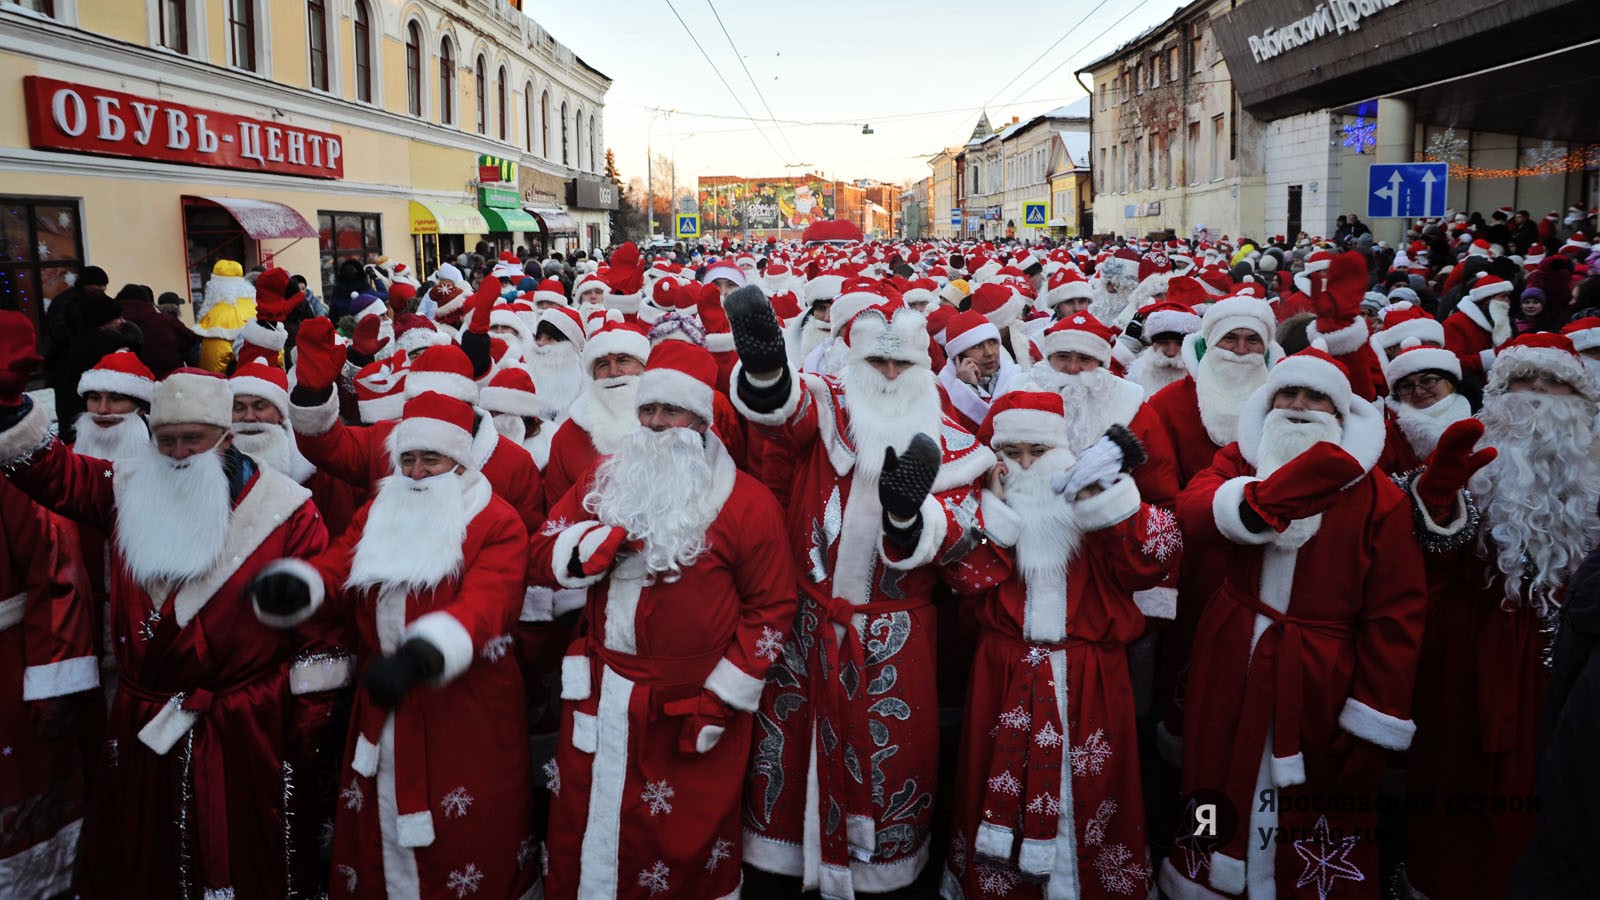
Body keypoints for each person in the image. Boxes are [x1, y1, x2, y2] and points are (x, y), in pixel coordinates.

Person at [0, 336, 339, 900]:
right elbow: (52, 474)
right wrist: (10, 408)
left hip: (243, 724)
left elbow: (318, 613)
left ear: (225, 439)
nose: (179, 453)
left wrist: (314, 705)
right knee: (144, 854)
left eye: (193, 441)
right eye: (167, 441)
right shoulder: (126, 486)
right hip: (143, 719)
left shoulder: (286, 509)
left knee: (248, 851)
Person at [724, 285, 1005, 897]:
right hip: (807, 632)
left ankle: (883, 877)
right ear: (852, 363)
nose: (888, 373)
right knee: (787, 768)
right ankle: (786, 872)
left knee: (889, 772)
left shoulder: (953, 445)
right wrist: (769, 368)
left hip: (896, 645)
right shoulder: (830, 408)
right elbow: (784, 410)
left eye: (901, 363)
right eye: (876, 362)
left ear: (924, 370)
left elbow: (978, 554)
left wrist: (914, 524)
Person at [1159, 346, 1430, 900]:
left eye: (1315, 398)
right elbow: (1191, 508)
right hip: (1232, 653)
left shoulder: (1378, 495)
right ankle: (1205, 869)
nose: (1300, 407)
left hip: (1319, 674)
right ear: (1270, 399)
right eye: (1289, 394)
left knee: (1315, 795)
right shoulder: (1240, 462)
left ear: (1339, 414)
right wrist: (1260, 500)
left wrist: (1374, 714)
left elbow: (1396, 614)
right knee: (1213, 771)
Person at [530, 342, 797, 898]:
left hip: (690, 709)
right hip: (600, 702)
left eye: (669, 412)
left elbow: (771, 608)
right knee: (586, 839)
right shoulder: (606, 478)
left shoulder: (747, 504)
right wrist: (587, 547)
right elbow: (543, 548)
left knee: (679, 854)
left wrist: (722, 698)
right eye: (647, 411)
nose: (654, 424)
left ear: (701, 418)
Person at [248, 391, 538, 900]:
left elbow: (488, 601)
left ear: (460, 461)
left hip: (465, 709)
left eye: (433, 459)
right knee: (378, 835)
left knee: (463, 838)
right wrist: (304, 585)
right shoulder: (380, 509)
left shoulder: (497, 523)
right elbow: (342, 564)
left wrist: (423, 653)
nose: (419, 472)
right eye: (409, 459)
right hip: (384, 699)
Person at [945, 392, 1180, 899]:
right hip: (1003, 671)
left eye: (1037, 451)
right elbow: (963, 582)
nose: (1025, 465)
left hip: (1089, 674)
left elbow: (1155, 558)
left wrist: (1109, 496)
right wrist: (992, 515)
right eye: (1012, 452)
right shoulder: (982, 509)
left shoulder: (1093, 509)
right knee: (993, 785)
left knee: (1095, 792)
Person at [1406, 333, 1600, 900]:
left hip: (1576, 663)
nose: (1538, 394)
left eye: (1555, 381)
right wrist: (1434, 500)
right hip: (1471, 656)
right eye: (1522, 380)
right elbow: (1422, 554)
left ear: (1581, 398)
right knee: (1458, 786)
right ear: (1498, 392)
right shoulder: (1467, 460)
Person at [541, 321, 651, 508]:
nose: (614, 372)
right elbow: (557, 511)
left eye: (623, 360)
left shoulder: (672, 421)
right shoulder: (568, 436)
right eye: (603, 365)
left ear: (644, 365)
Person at [937, 309, 1021, 432]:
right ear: (959, 357)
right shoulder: (943, 391)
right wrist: (968, 388)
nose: (989, 353)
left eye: (992, 342)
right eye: (977, 346)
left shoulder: (1018, 379)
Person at [115, 283, 198, 378]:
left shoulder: (110, 323)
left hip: (128, 386)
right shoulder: (167, 322)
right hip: (169, 382)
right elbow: (190, 347)